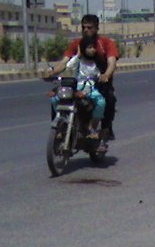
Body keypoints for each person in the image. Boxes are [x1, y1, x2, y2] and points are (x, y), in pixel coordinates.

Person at [48, 14, 118, 151]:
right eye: (83, 27)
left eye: (89, 27)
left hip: (99, 83)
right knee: (57, 97)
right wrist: (51, 72)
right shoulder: (76, 44)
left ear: (97, 28)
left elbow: (111, 62)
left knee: (108, 98)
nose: (86, 30)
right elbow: (65, 62)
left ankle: (103, 133)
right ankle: (59, 128)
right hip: (78, 83)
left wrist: (106, 75)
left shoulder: (105, 43)